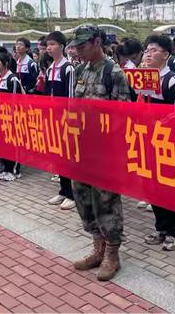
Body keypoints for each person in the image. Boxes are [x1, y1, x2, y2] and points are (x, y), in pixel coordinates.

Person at [70, 25, 131, 281]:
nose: (79, 50)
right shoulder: (80, 70)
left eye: (83, 45)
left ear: (97, 42)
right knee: (83, 198)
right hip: (82, 148)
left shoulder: (113, 72)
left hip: (105, 151)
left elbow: (124, 115)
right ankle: (98, 247)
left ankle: (112, 254)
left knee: (106, 201)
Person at [142, 35, 175, 251]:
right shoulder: (144, 79)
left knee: (169, 186)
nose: (148, 54)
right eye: (147, 50)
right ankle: (160, 226)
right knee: (152, 186)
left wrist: (157, 124)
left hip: (169, 144)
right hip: (148, 141)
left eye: (153, 50)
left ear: (166, 55)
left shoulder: (173, 81)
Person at [44, 31, 77, 210]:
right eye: (48, 45)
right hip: (53, 118)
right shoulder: (50, 68)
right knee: (59, 156)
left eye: (53, 44)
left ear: (62, 47)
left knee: (69, 156)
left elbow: (71, 97)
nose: (49, 48)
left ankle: (72, 194)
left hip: (66, 119)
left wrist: (69, 118)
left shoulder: (68, 68)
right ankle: (63, 190)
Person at [0, 52, 23, 181]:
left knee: (12, 144)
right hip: (0, 117)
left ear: (5, 64)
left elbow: (17, 101)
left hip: (11, 118)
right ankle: (6, 168)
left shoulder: (12, 79)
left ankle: (14, 170)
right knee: (3, 143)